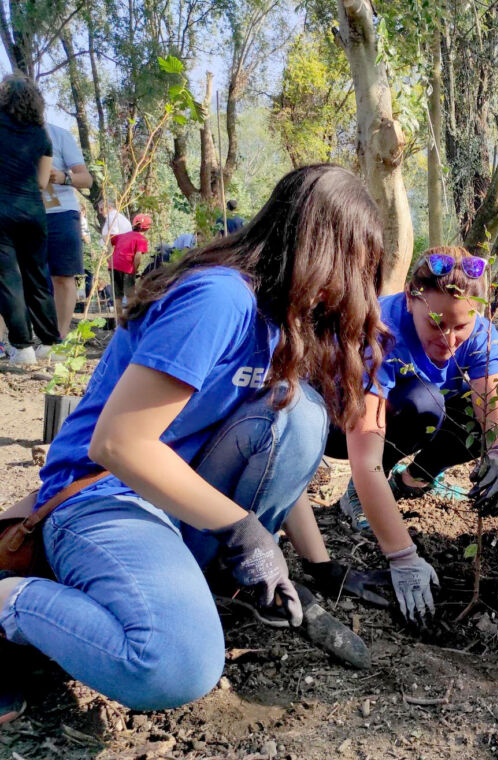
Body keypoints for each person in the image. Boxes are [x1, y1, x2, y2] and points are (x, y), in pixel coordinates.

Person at [0, 165, 388, 722]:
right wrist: (241, 527)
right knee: (176, 664)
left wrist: (316, 566)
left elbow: (276, 450)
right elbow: (118, 445)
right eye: (354, 266)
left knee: (300, 416)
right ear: (320, 250)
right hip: (106, 498)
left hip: (176, 506)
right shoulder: (219, 299)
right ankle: (12, 599)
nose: (352, 288)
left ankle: (201, 587)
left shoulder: (282, 323)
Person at [313, 247, 498, 621]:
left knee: (474, 421)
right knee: (425, 402)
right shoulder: (378, 330)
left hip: (415, 417)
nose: (450, 340)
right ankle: (357, 498)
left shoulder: (480, 336)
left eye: (461, 327)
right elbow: (365, 459)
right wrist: (403, 556)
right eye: (437, 324)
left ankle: (412, 481)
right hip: (335, 424)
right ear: (410, 299)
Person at [0, 74, 61, 366]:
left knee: (8, 279)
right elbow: (40, 181)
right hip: (33, 212)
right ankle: (49, 342)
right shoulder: (41, 135)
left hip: (1, 210)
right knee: (37, 276)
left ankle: (22, 347)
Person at [43, 122, 92, 338]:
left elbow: (87, 179)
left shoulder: (59, 135)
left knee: (62, 276)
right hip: (16, 212)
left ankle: (58, 338)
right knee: (8, 276)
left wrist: (63, 177)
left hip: (60, 213)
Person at [109, 213, 150, 320]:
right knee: (130, 296)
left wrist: (108, 259)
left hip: (113, 266)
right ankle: (129, 322)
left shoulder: (122, 235)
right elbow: (137, 256)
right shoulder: (141, 239)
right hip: (127, 268)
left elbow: (108, 241)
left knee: (117, 297)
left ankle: (118, 324)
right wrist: (134, 270)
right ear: (147, 228)